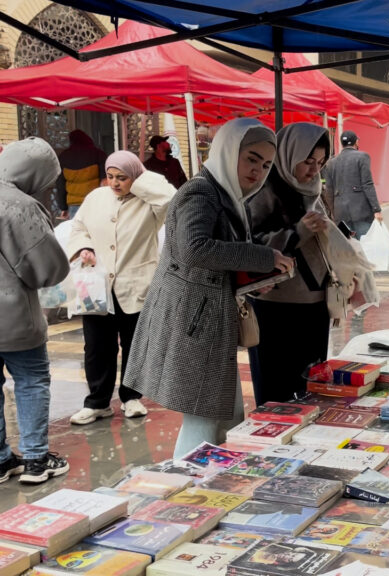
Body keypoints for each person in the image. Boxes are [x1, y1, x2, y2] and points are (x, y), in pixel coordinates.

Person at [122, 118, 294, 458]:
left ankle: (213, 486)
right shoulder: (201, 191)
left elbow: (216, 253)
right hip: (193, 321)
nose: (257, 170)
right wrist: (263, 256)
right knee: (204, 421)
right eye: (251, 158)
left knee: (223, 416)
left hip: (205, 319)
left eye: (266, 164)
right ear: (230, 151)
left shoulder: (225, 191)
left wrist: (256, 277)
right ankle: (184, 495)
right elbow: (194, 248)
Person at [66, 151, 176, 426]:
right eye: (111, 177)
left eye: (122, 178)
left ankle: (131, 397)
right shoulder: (95, 198)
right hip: (97, 285)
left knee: (135, 345)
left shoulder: (150, 202)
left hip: (136, 284)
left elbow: (173, 200)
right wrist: (84, 248)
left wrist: (140, 181)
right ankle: (97, 403)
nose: (115, 183)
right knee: (96, 347)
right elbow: (78, 228)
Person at [0, 137, 72, 484]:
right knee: (31, 380)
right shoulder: (19, 206)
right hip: (16, 319)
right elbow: (48, 269)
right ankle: (35, 459)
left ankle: (1, 460)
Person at [246, 123, 333, 406]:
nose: (313, 171)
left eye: (320, 163)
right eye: (308, 162)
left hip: (315, 302)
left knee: (311, 386)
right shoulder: (262, 191)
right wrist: (298, 231)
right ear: (288, 154)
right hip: (276, 305)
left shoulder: (314, 191)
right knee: (277, 389)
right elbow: (250, 245)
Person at [323, 130, 381, 238]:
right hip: (361, 212)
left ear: (342, 143)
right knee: (365, 246)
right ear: (356, 142)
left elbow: (329, 190)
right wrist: (376, 209)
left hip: (340, 214)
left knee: (348, 248)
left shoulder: (331, 162)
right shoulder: (362, 157)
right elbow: (367, 184)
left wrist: (332, 212)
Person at [57, 129, 108, 219]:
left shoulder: (63, 157)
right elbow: (105, 181)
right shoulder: (98, 154)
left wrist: (63, 207)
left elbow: (61, 185)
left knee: (77, 231)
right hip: (94, 202)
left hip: (74, 205)